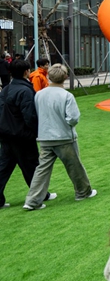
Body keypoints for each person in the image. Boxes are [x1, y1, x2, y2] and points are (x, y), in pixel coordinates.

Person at [23, 64, 96, 210]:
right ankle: (82, 192)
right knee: (74, 166)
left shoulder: (39, 94)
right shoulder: (66, 95)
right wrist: (66, 124)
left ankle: (32, 201)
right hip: (64, 137)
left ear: (48, 76)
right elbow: (73, 118)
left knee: (42, 170)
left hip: (45, 137)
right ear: (65, 77)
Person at [0, 60, 54, 208]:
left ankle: (43, 194)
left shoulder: (6, 89)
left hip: (6, 134)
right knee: (32, 166)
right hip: (21, 135)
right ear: (26, 72)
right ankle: (39, 196)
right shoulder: (25, 91)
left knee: (4, 167)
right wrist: (37, 132)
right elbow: (29, 116)